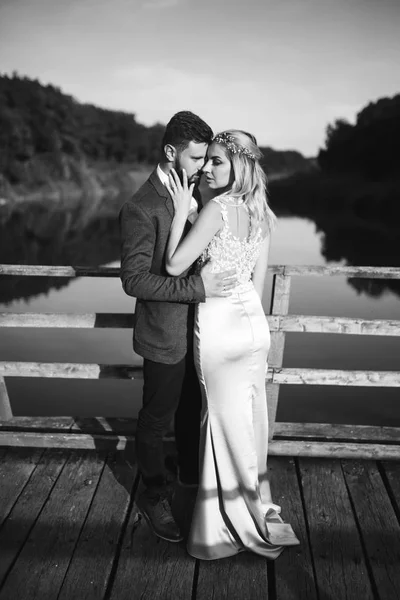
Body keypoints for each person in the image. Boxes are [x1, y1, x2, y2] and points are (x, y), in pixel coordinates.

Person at [165, 130, 300, 559]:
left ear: (238, 165)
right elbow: (257, 286)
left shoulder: (216, 209)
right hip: (253, 327)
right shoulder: (262, 212)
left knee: (220, 423)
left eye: (217, 161)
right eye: (207, 162)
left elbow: (173, 265)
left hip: (221, 326)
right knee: (247, 420)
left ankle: (223, 527)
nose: (207, 168)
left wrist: (180, 214)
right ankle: (252, 503)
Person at [119, 112, 238, 544]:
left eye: (208, 158)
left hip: (204, 333)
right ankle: (153, 494)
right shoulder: (141, 207)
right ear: (171, 152)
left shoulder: (199, 192)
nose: (204, 166)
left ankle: (189, 479)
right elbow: (134, 280)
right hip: (165, 336)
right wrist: (198, 288)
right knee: (155, 420)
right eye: (196, 157)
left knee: (193, 411)